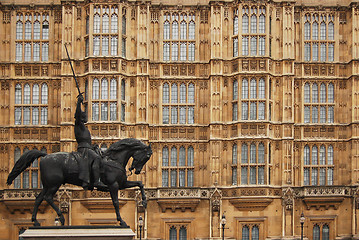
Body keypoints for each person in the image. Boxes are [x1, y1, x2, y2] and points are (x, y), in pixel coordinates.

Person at [75, 94, 106, 189]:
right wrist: (79, 103)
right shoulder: (79, 124)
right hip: (83, 149)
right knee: (96, 158)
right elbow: (77, 115)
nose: (86, 117)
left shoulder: (84, 127)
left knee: (101, 156)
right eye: (84, 116)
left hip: (87, 148)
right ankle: (96, 181)